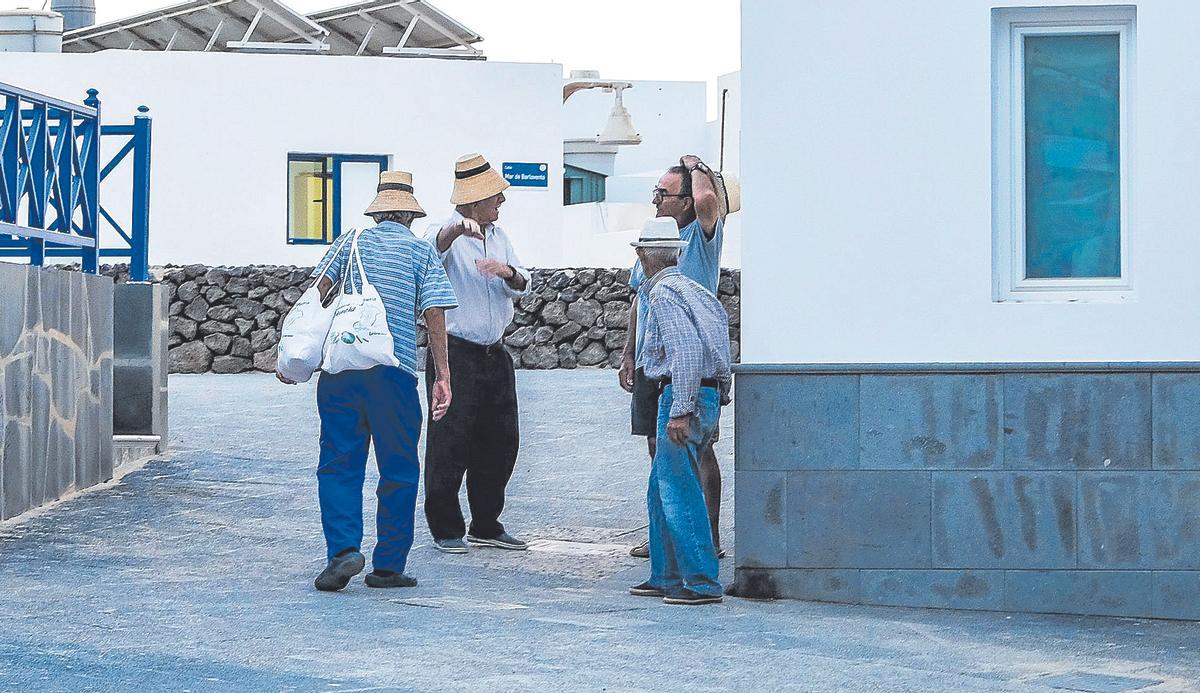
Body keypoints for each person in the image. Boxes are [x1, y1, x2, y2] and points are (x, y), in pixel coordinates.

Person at [278, 170, 458, 592]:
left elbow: (320, 294)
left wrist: (297, 352)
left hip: (341, 373)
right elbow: (434, 312)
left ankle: (343, 551)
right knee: (399, 469)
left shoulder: (350, 242)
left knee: (338, 464)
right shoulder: (420, 251)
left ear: (377, 212)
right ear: (410, 215)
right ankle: (389, 566)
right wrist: (443, 375)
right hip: (394, 374)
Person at [619, 155, 727, 559]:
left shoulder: (701, 236)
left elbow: (707, 201)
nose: (656, 200)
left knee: (699, 449)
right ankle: (666, 535)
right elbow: (638, 300)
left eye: (663, 194)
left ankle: (708, 538)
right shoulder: (655, 241)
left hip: (688, 364)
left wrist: (696, 166)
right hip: (652, 361)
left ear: (685, 201)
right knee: (657, 446)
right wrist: (629, 353)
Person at [422, 153, 531, 554]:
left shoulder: (499, 237)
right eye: (495, 195)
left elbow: (524, 282)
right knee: (449, 440)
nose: (501, 201)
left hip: (494, 353)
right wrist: (454, 231)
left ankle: (486, 523)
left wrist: (508, 273)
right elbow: (431, 250)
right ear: (474, 199)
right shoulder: (443, 232)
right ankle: (446, 527)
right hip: (456, 353)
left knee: (501, 440)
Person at [626, 217, 732, 605]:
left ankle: (701, 581)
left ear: (643, 256)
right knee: (661, 489)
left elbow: (685, 351)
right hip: (705, 393)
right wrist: (718, 394)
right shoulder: (695, 290)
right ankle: (666, 575)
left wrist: (681, 408)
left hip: (681, 394)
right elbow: (720, 340)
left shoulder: (663, 294)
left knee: (678, 491)